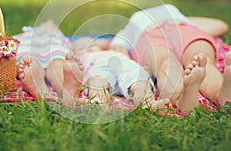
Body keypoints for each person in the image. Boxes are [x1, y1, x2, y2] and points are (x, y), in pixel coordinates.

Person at [110, 4, 231, 111]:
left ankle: (223, 95)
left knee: (200, 58)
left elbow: (221, 25)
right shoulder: (129, 27)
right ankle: (184, 99)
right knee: (167, 62)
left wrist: (186, 20)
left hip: (182, 27)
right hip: (152, 35)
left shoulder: (175, 15)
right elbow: (118, 48)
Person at [68, 36, 211, 115]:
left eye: (92, 43)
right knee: (97, 82)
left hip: (124, 64)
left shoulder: (116, 51)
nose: (88, 47)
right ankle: (98, 103)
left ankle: (148, 104)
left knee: (140, 82)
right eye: (81, 47)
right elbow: (71, 70)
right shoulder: (83, 58)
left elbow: (110, 41)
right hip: (98, 68)